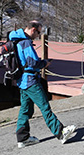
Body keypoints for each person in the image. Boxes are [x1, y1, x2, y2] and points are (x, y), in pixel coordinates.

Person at [9, 20, 77, 148]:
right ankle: (60, 132)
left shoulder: (16, 40)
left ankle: (22, 138)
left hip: (22, 81)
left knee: (25, 110)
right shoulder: (26, 42)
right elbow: (33, 62)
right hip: (31, 81)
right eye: (38, 33)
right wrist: (44, 63)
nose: (38, 36)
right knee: (44, 106)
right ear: (33, 30)